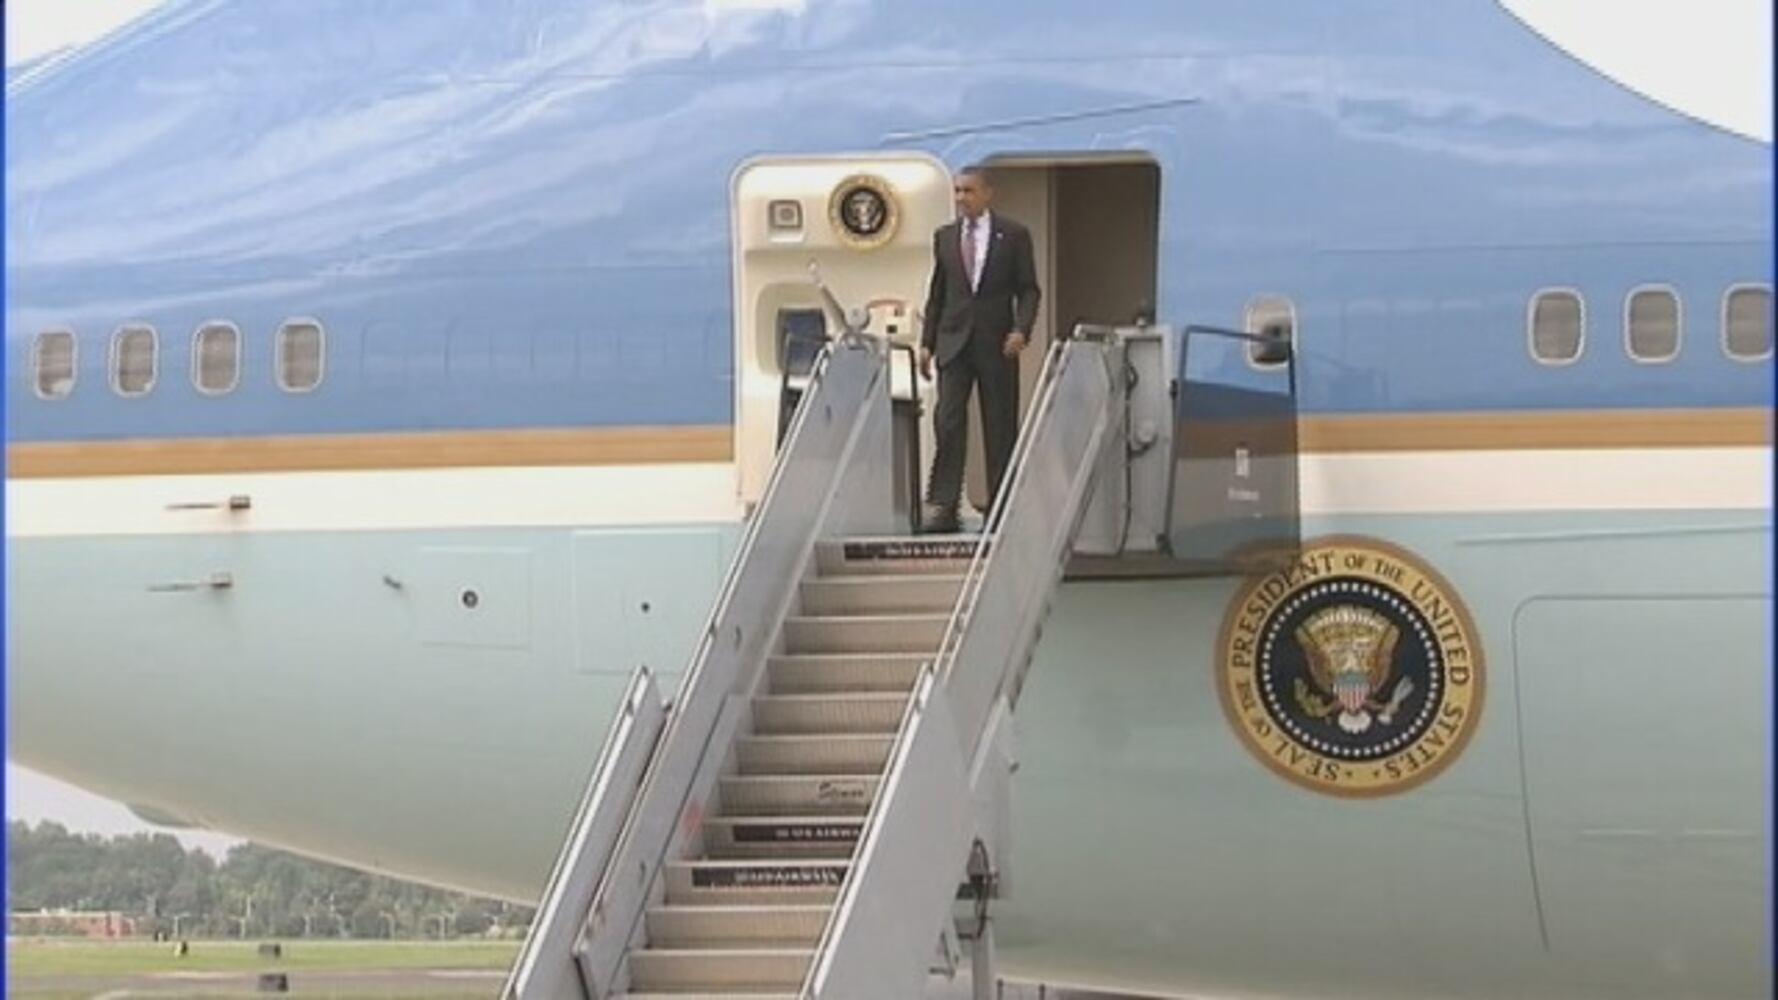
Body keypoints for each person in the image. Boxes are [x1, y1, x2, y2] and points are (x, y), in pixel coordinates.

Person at [918, 166, 1040, 533]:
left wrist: (1021, 329)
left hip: (996, 343)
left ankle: (1000, 509)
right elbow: (938, 294)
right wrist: (926, 343)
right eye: (957, 191)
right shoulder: (945, 237)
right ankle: (944, 505)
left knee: (999, 426)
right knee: (948, 421)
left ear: (987, 193)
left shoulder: (1013, 235)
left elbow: (1029, 289)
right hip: (953, 341)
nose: (961, 198)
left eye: (968, 191)